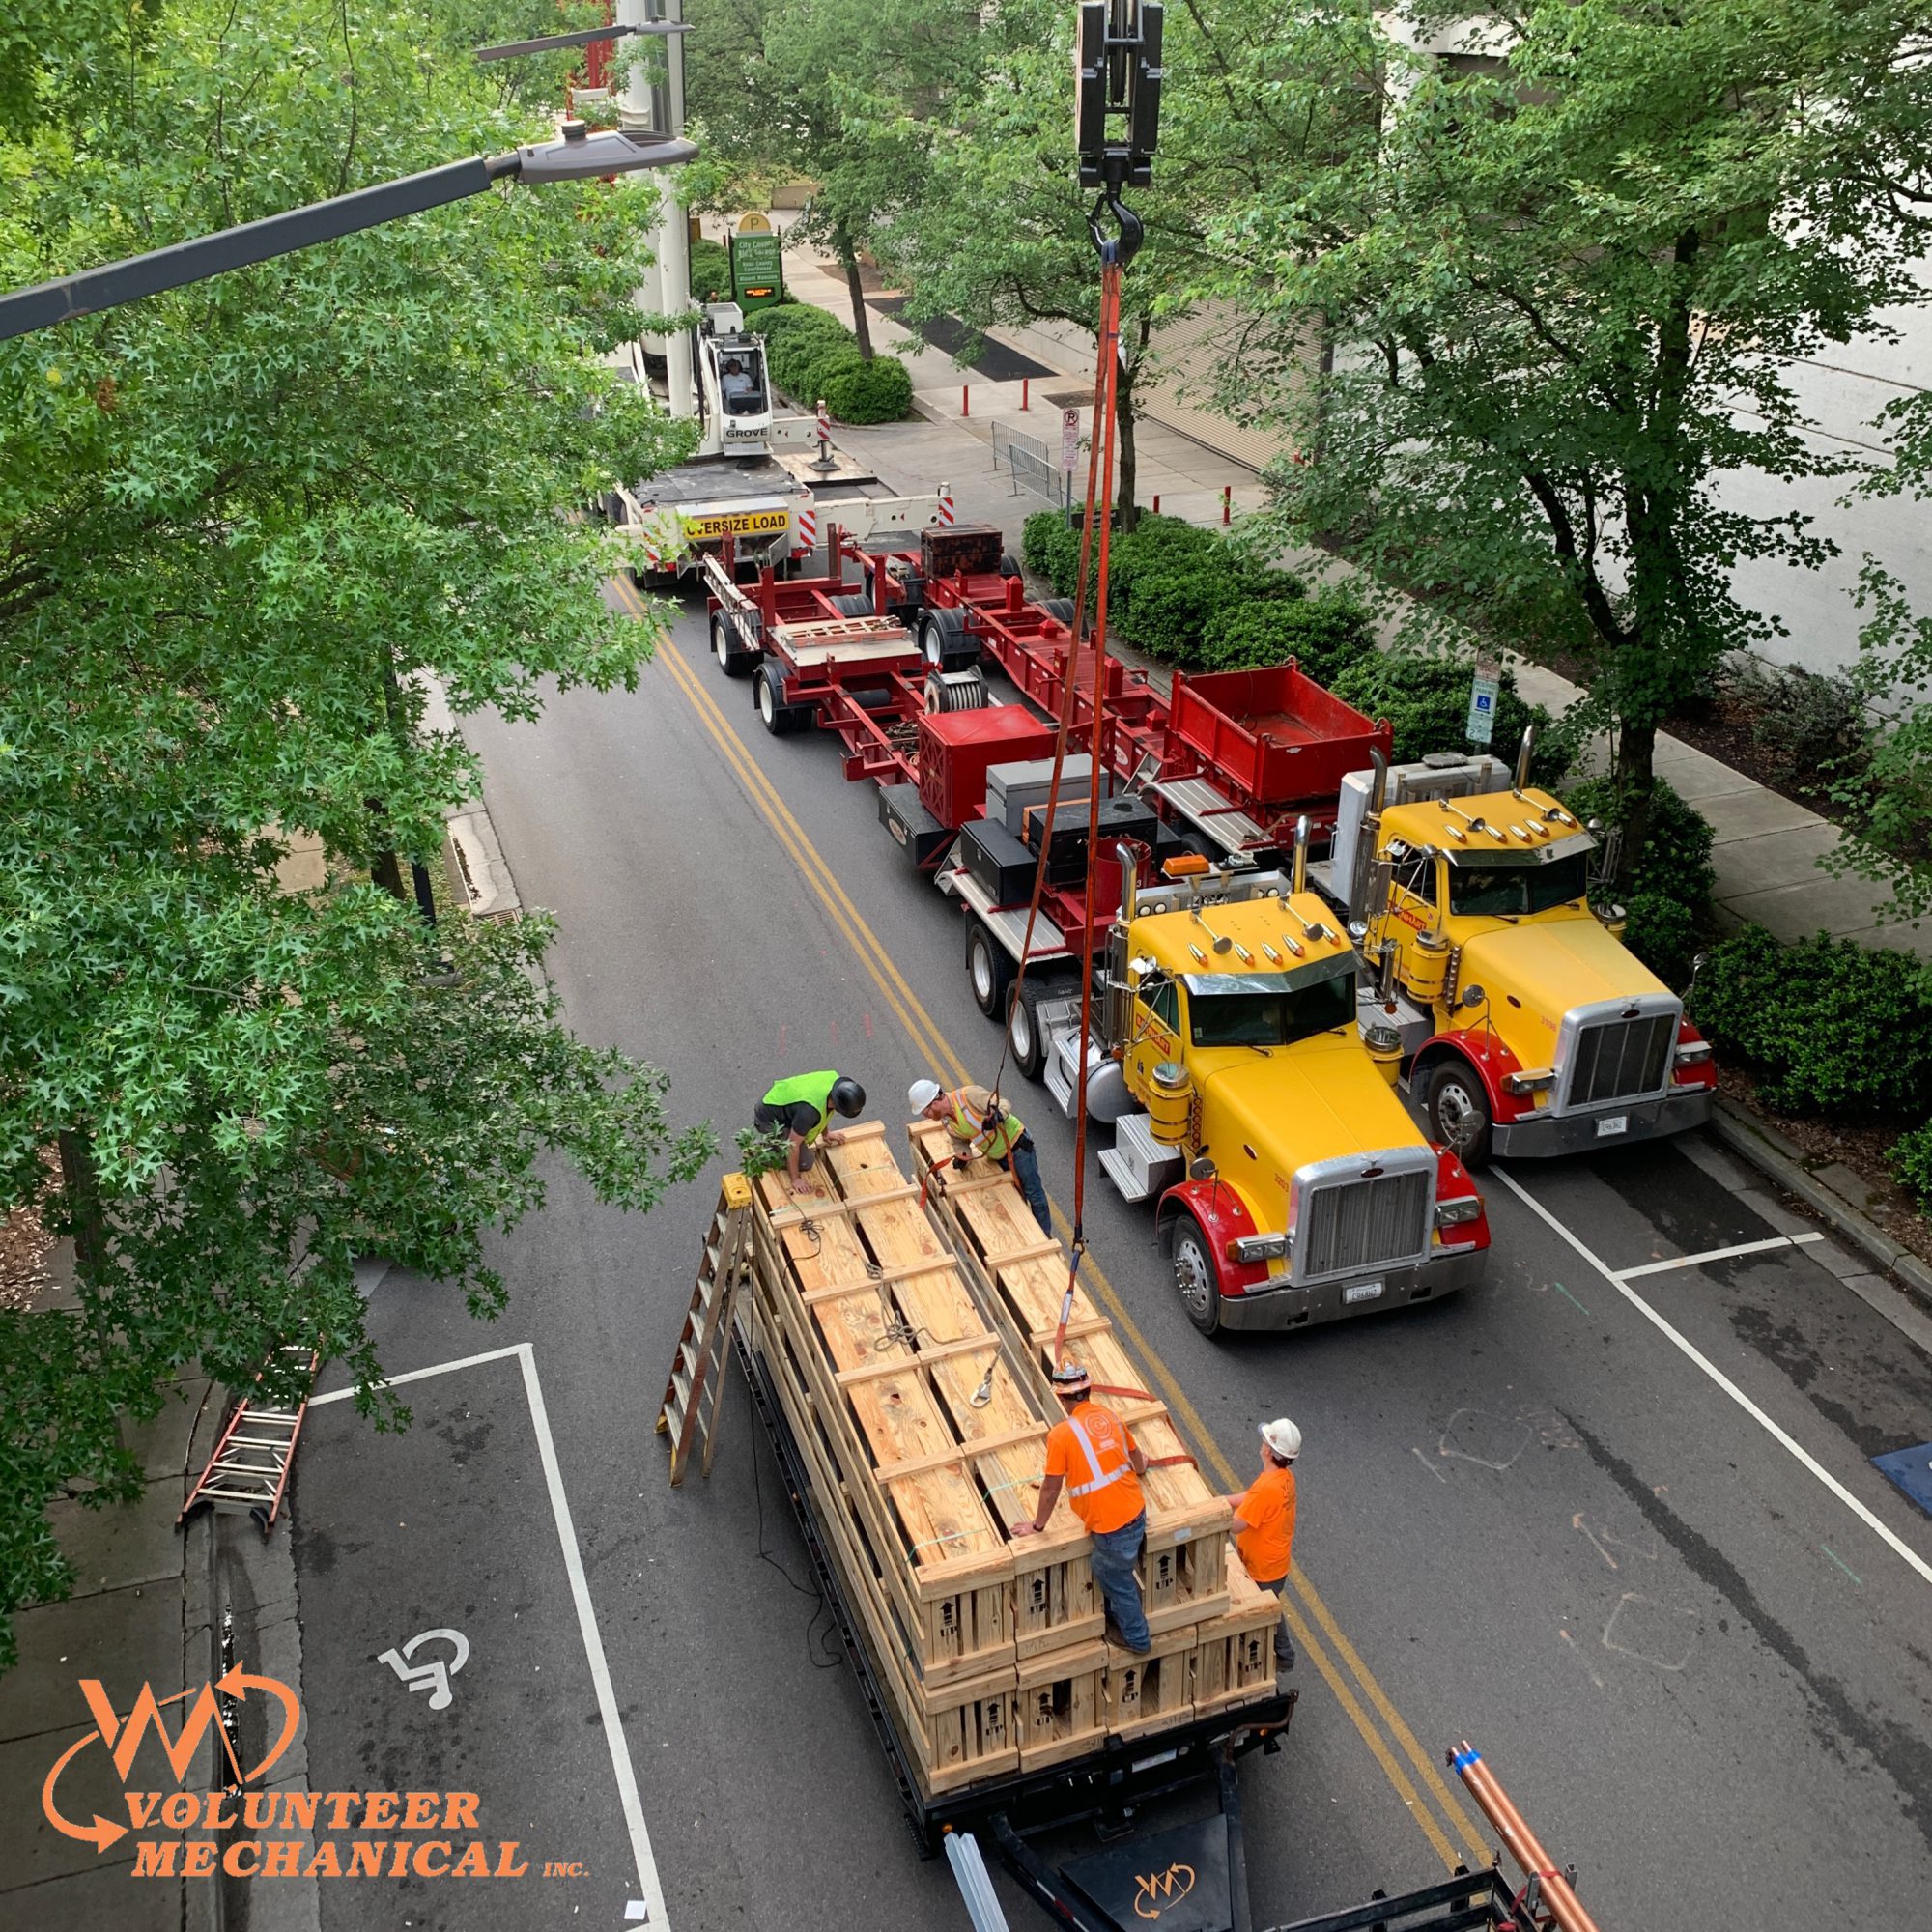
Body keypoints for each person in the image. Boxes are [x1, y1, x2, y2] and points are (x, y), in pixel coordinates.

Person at [1012, 1362, 1151, 1654]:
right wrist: (1141, 1468)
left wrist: (1036, 1526)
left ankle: (1137, 1640)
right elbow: (1136, 1457)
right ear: (1087, 1391)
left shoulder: (1060, 1436)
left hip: (1111, 1528)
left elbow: (1051, 1488)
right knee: (1119, 1564)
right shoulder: (1110, 1418)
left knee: (1113, 1576)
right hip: (1136, 1512)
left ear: (1062, 1398)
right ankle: (1128, 1573)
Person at [908, 1077, 1051, 1236]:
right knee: (1016, 1199)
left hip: (1018, 1148)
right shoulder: (947, 1122)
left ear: (934, 1103)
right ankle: (1030, 1233)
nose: (926, 1116)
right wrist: (963, 1156)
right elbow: (959, 1141)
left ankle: (1044, 1236)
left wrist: (997, 1116)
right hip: (997, 1156)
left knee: (1034, 1196)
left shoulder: (968, 1096)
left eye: (925, 1111)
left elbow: (1003, 1103)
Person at [1229, 1416, 1300, 1675]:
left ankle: (1281, 1654)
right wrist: (1224, 1501)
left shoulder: (1267, 1488)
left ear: (1269, 1450)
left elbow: (1237, 1525)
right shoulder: (1283, 1479)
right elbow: (1251, 1499)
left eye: (1264, 1441)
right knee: (1272, 1603)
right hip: (1276, 1563)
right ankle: (1282, 1653)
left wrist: (1210, 1515)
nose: (1261, 1444)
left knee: (1263, 1610)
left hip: (1262, 1568)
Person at [753, 1071, 866, 1192]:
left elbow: (825, 1110)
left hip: (787, 1104)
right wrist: (795, 1179)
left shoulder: (836, 1085)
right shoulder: (809, 1112)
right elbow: (792, 1144)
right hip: (768, 1119)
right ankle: (759, 1153)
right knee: (806, 1162)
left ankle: (777, 1143)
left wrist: (826, 1134)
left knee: (802, 1130)